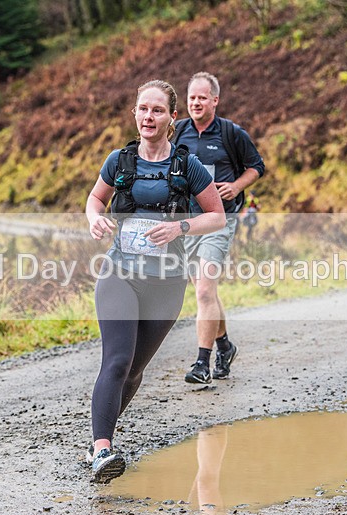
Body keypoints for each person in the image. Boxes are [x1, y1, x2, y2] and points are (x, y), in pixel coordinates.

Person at [85, 79, 225, 483]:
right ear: (135, 114)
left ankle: (99, 440)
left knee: (133, 370)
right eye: (143, 109)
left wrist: (181, 227)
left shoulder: (187, 166)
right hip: (120, 274)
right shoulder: (119, 161)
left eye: (157, 110)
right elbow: (95, 199)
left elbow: (217, 216)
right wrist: (95, 219)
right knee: (116, 360)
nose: (149, 116)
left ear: (172, 117)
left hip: (167, 283)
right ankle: (102, 448)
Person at [172, 72, 265, 384]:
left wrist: (236, 186)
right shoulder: (178, 132)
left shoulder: (230, 133)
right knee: (206, 291)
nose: (196, 103)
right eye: (192, 98)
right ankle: (225, 346)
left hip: (220, 220)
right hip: (188, 222)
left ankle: (202, 363)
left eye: (202, 97)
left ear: (215, 100)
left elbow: (257, 166)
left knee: (203, 290)